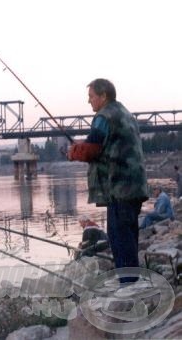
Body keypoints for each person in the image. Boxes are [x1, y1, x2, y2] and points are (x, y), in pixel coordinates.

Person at [68, 78, 148, 283]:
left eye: (91, 97)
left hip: (119, 187)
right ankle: (133, 282)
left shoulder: (103, 117)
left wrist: (74, 151)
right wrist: (83, 146)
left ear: (103, 96)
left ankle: (129, 286)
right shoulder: (124, 113)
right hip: (135, 185)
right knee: (129, 235)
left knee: (119, 238)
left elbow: (91, 150)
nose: (89, 102)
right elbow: (105, 144)